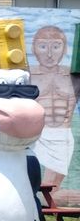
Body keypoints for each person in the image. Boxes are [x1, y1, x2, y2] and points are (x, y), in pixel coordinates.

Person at [29, 25, 80, 188]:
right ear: (33, 48)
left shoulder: (74, 77)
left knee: (51, 188)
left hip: (62, 135)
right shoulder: (26, 74)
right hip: (34, 135)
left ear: (64, 50)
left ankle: (43, 210)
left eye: (56, 46)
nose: (49, 54)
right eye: (43, 46)